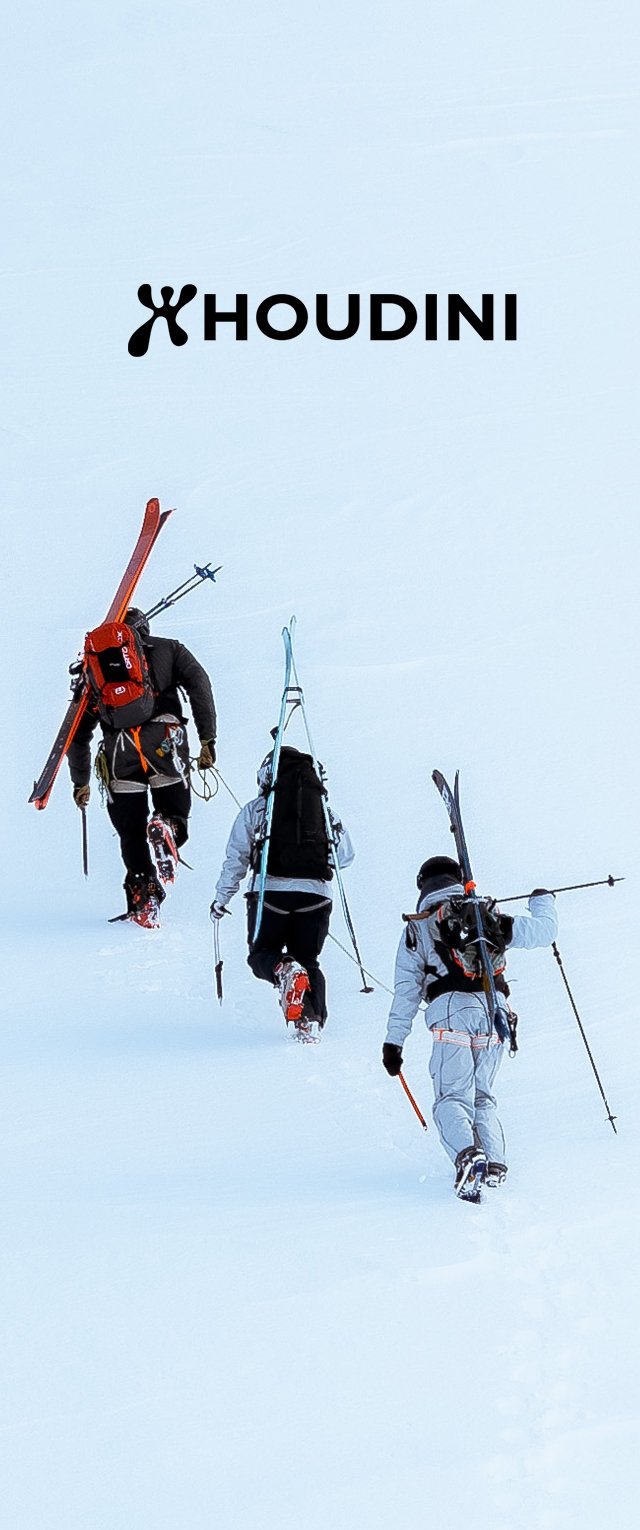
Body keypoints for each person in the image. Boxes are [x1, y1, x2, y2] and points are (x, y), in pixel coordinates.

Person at [382, 855, 558, 1200]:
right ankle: (494, 1163)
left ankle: (467, 1156)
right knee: (482, 1097)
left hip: (451, 1013)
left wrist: (394, 1043)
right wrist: (542, 901)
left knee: (451, 1097)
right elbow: (544, 932)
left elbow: (406, 993)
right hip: (495, 1011)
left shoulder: (418, 927)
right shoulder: (485, 916)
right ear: (457, 879)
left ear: (423, 885)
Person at [68, 607, 217, 924]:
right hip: (163, 740)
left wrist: (80, 781)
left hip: (119, 751)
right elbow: (199, 684)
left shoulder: (95, 670)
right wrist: (208, 739)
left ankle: (144, 897)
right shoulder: (170, 648)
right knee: (173, 806)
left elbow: (77, 733)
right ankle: (168, 825)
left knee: (130, 832)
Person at [210, 745, 354, 1038]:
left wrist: (221, 899)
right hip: (316, 896)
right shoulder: (324, 810)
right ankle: (309, 1022)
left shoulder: (256, 809)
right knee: (309, 960)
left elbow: (235, 858)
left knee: (261, 955)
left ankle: (284, 969)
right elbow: (346, 856)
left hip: (269, 893)